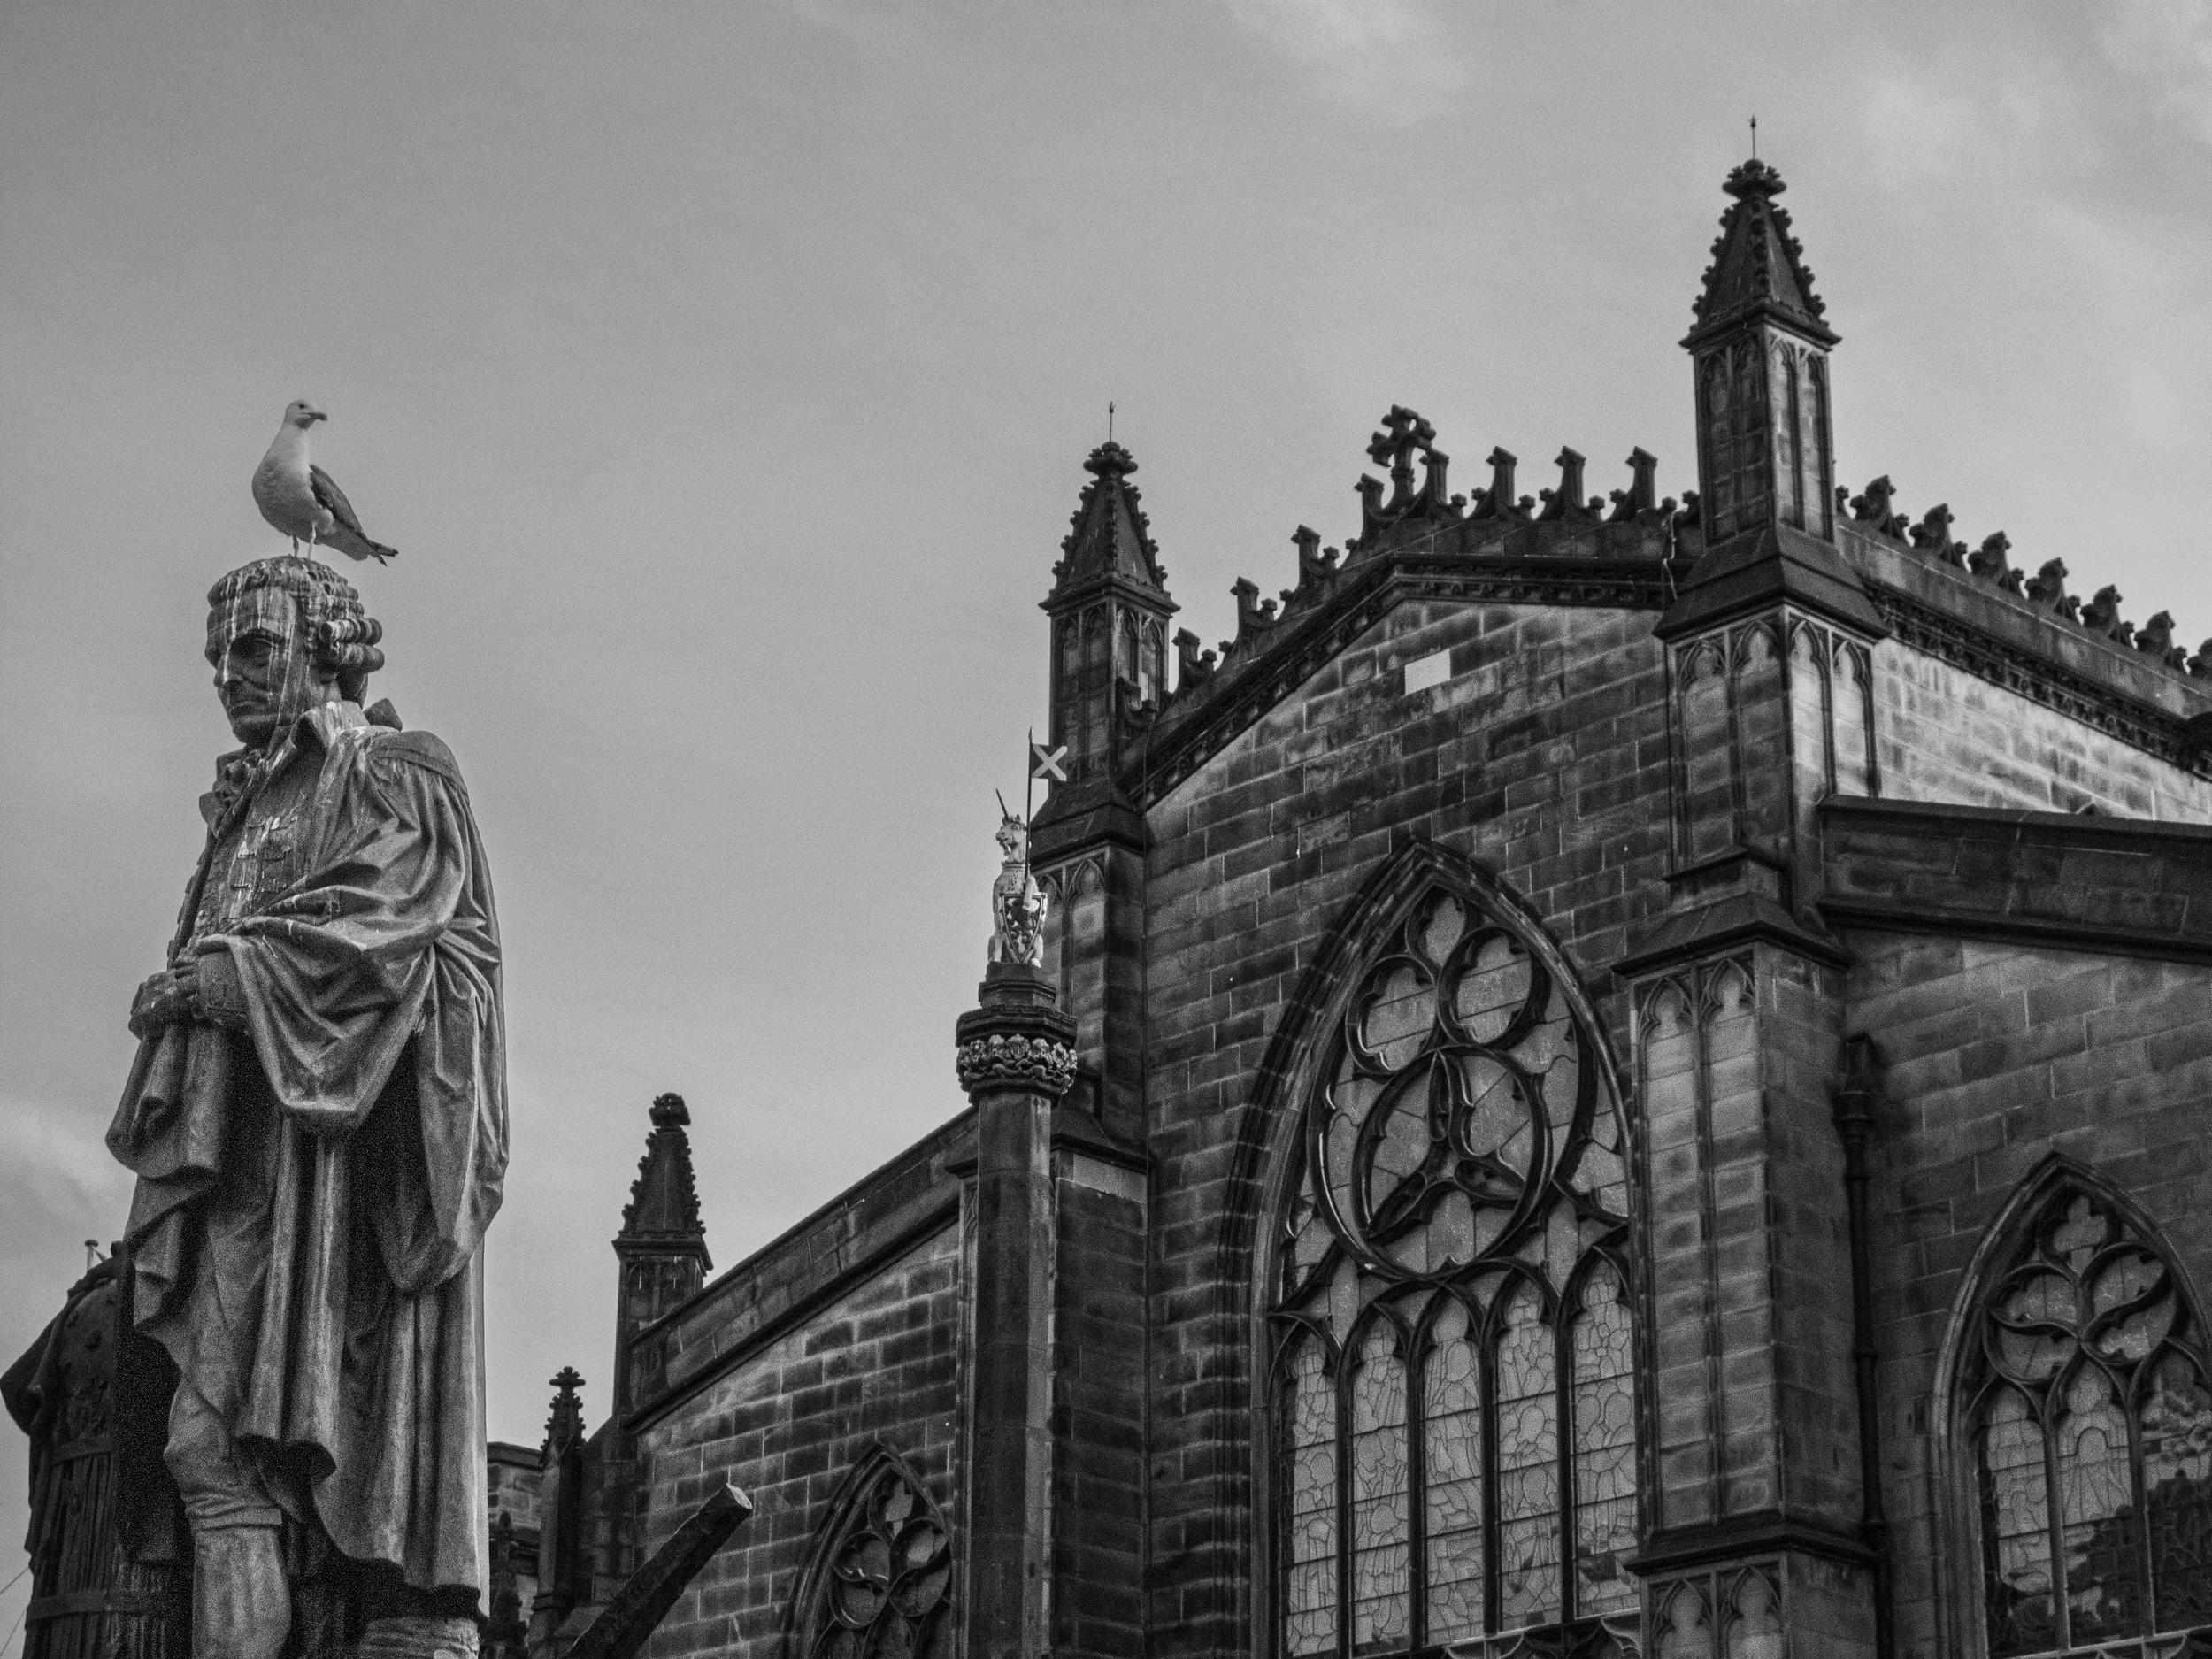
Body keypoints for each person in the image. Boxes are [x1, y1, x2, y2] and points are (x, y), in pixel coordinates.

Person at [109, 556, 507, 1659]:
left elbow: (399, 924)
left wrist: (228, 980)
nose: (230, 676)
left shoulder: (395, 768)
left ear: (327, 647)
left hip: (349, 1181)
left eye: (256, 648)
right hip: (250, 1163)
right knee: (208, 1451)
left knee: (256, 1459)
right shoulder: (242, 811)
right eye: (219, 657)